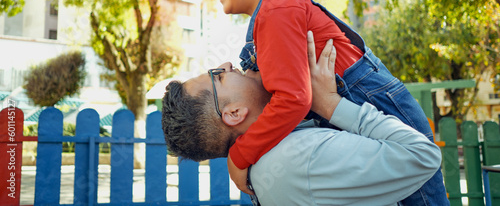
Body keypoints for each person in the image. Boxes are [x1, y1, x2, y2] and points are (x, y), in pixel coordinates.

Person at [183, 0, 448, 205]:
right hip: (356, 110)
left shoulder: (276, 10)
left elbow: (293, 99)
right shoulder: (268, 18)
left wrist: (240, 156)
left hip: (377, 109)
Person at [161, 32, 443, 206]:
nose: (227, 65)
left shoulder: (269, 159)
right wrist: (332, 104)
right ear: (234, 113)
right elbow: (423, 156)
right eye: (218, 76)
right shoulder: (299, 157)